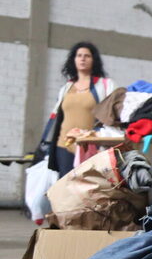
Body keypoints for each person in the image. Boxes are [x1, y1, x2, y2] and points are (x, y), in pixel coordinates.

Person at [46, 42, 117, 177]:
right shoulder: (66, 87)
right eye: (79, 56)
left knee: (88, 186)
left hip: (91, 146)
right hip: (63, 145)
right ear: (74, 60)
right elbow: (56, 117)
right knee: (65, 187)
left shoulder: (105, 85)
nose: (83, 58)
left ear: (93, 60)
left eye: (87, 56)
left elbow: (113, 115)